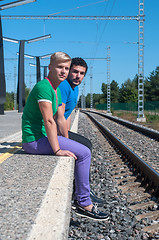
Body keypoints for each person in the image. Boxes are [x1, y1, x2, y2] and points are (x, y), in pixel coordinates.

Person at [22, 52, 109, 221]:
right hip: (34, 140)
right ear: (50, 67)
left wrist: (66, 142)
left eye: (66, 68)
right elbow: (49, 120)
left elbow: (61, 117)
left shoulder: (55, 89)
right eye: (60, 67)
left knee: (83, 150)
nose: (63, 71)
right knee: (84, 153)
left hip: (41, 137)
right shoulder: (44, 87)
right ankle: (84, 203)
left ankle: (83, 196)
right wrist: (58, 149)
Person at [59, 57, 105, 206]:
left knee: (87, 144)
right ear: (69, 71)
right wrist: (66, 140)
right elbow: (58, 116)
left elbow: (67, 116)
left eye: (82, 73)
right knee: (84, 150)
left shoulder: (75, 88)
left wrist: (68, 134)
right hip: (52, 131)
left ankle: (82, 188)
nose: (78, 76)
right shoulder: (63, 87)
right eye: (75, 72)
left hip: (60, 129)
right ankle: (80, 193)